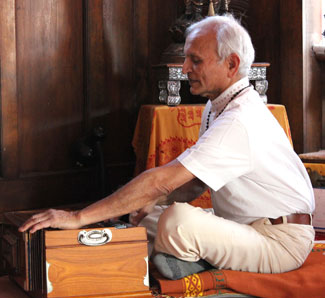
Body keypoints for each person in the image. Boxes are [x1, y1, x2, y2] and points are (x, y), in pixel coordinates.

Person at [19, 15, 315, 281]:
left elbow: (161, 180)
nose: (185, 68)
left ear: (232, 64)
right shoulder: (217, 106)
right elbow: (195, 183)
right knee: (145, 214)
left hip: (279, 242)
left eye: (195, 61)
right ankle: (179, 257)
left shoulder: (240, 120)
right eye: (187, 59)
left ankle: (190, 261)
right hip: (248, 228)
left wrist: (78, 217)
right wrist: (146, 202)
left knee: (177, 221)